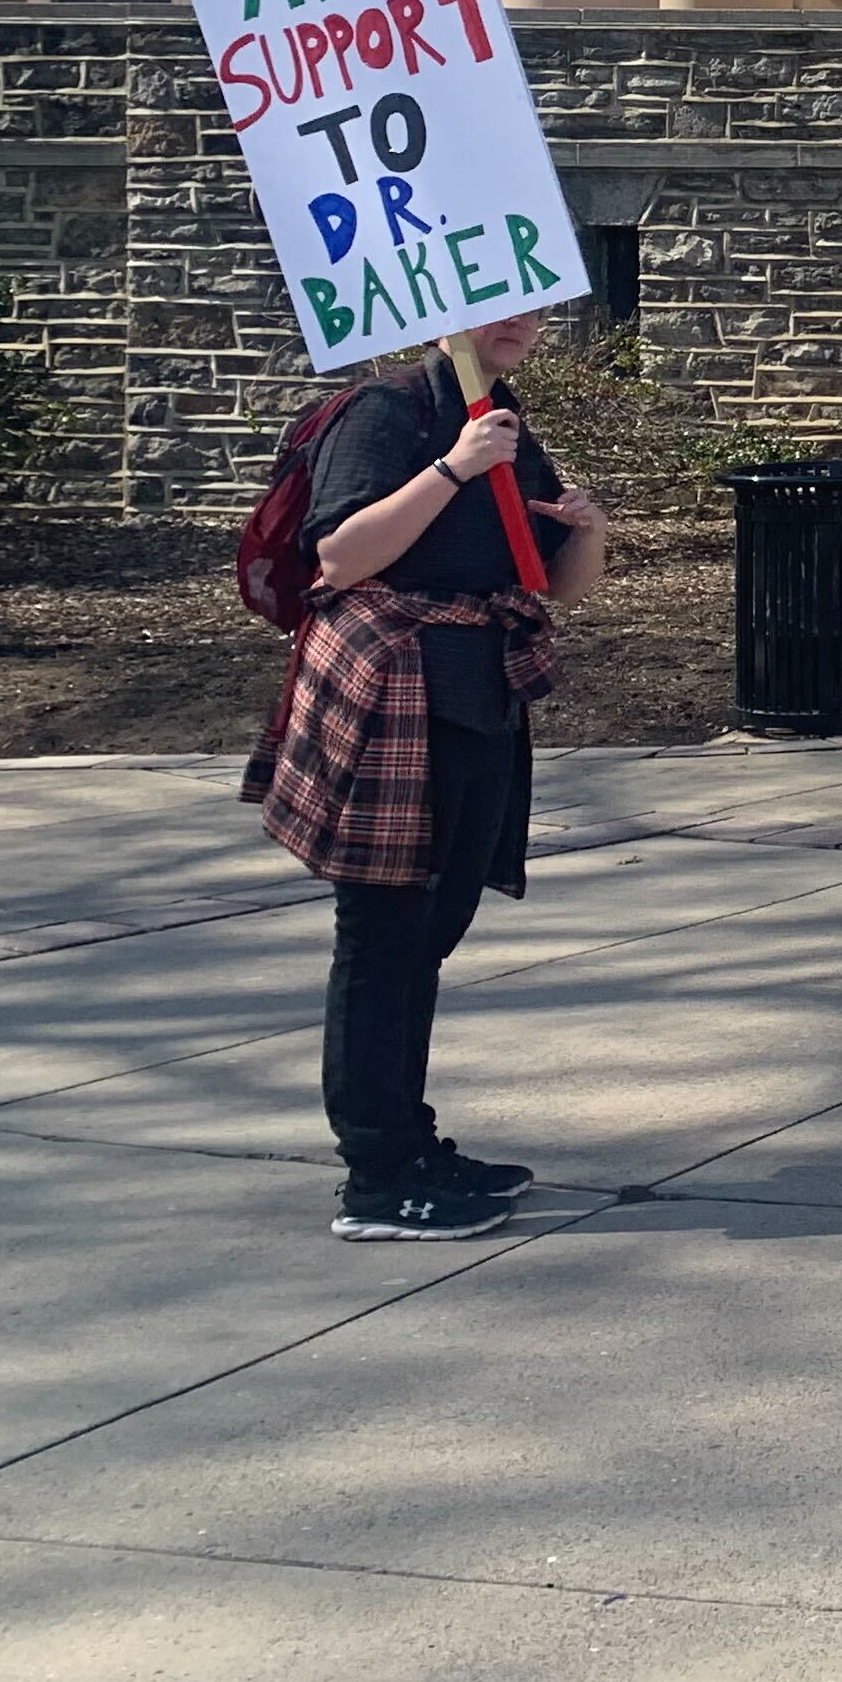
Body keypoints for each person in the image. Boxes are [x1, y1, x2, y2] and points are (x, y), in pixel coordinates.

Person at [250, 312, 610, 1243]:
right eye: (502, 303)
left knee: (428, 935)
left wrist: (588, 530)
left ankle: (412, 1147)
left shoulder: (498, 413)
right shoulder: (387, 411)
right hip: (392, 694)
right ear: (443, 309)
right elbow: (340, 556)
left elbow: (552, 584)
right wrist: (453, 467)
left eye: (534, 305)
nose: (524, 321)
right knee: (383, 938)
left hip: (474, 695)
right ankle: (377, 1178)